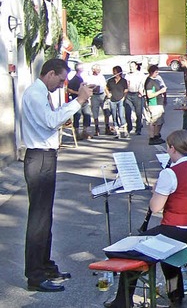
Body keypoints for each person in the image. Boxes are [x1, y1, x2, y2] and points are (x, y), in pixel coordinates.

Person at [105, 130, 187, 307]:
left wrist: (156, 191)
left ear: (172, 148)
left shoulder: (170, 173)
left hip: (177, 230)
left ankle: (122, 302)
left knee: (132, 248)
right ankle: (175, 297)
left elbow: (155, 207)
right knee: (166, 247)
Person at [21, 58, 93, 292]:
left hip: (45, 156)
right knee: (39, 219)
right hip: (39, 157)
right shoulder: (35, 93)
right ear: (50, 73)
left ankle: (45, 264)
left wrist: (71, 106)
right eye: (61, 80)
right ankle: (35, 275)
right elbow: (51, 122)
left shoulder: (42, 92)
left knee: (45, 217)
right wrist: (79, 100)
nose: (62, 84)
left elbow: (52, 120)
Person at [66, 62, 92, 140]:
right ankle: (77, 133)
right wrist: (78, 93)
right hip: (77, 100)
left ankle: (85, 131)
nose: (83, 69)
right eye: (82, 68)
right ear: (79, 69)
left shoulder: (80, 78)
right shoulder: (74, 79)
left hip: (84, 100)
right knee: (77, 116)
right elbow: (68, 89)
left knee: (87, 114)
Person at [144, 64, 167, 145]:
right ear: (151, 72)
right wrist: (160, 92)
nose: (157, 74)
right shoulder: (149, 82)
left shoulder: (155, 80)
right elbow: (149, 95)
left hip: (159, 103)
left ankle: (156, 135)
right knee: (155, 121)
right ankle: (152, 136)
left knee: (160, 121)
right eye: (156, 72)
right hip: (154, 104)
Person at [84, 64, 107, 136]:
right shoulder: (89, 77)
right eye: (97, 69)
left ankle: (107, 127)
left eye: (99, 69)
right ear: (93, 70)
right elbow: (87, 86)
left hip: (102, 94)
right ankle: (97, 128)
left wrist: (107, 94)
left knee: (106, 111)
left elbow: (105, 86)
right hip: (94, 96)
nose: (99, 70)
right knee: (95, 112)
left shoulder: (101, 76)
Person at [105, 65, 128, 137]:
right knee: (114, 116)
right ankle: (117, 131)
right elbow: (106, 87)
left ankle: (125, 130)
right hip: (112, 100)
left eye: (116, 72)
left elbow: (126, 89)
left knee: (121, 115)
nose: (114, 73)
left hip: (120, 99)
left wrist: (124, 97)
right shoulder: (110, 81)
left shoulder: (123, 81)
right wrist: (108, 94)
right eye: (113, 72)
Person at [124, 61, 145, 135]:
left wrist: (141, 91)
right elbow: (126, 84)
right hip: (129, 94)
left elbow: (143, 83)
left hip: (137, 94)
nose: (131, 68)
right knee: (127, 112)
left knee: (138, 112)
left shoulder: (140, 74)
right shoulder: (127, 75)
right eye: (130, 66)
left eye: (132, 66)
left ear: (136, 66)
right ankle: (129, 127)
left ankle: (138, 128)